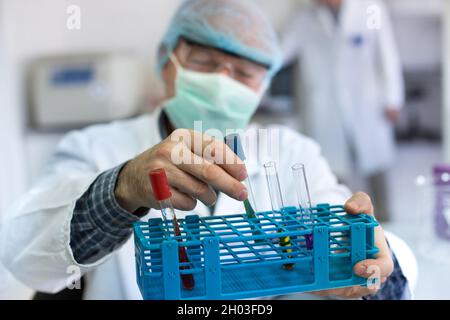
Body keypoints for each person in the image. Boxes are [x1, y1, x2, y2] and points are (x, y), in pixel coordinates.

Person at [0, 0, 410, 299]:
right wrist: (122, 189)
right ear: (167, 61)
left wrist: (370, 270)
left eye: (244, 72)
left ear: (262, 86)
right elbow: (25, 255)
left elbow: (354, 241)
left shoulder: (291, 153)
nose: (222, 81)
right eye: (205, 62)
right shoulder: (95, 146)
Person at [281, 0, 405, 221]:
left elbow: (387, 54)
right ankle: (345, 226)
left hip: (367, 101)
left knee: (376, 166)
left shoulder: (370, 9)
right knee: (333, 171)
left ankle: (387, 222)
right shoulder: (304, 17)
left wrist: (393, 98)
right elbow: (280, 52)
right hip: (326, 105)